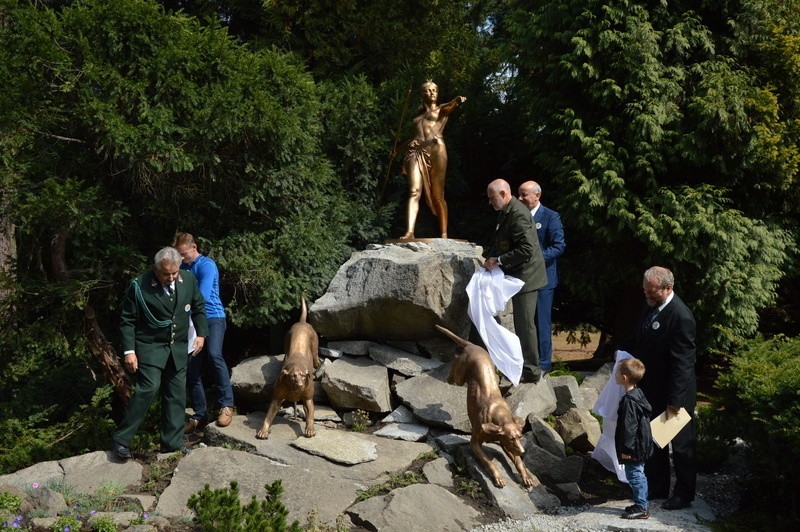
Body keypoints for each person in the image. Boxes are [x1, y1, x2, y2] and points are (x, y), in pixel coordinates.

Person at [112, 247, 208, 460]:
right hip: (150, 347)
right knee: (148, 389)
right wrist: (129, 351)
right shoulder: (139, 286)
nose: (172, 277)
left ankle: (172, 443)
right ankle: (121, 440)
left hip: (178, 348)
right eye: (166, 273)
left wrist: (201, 334)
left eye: (175, 272)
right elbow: (128, 320)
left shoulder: (188, 279)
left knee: (176, 394)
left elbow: (199, 307)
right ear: (155, 269)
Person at [620, 266, 697, 510]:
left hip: (677, 393)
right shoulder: (651, 305)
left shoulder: (681, 317)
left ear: (668, 288)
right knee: (654, 440)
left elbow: (683, 364)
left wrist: (675, 400)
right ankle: (658, 486)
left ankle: (685, 494)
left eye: (652, 292)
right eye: (645, 291)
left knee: (681, 445)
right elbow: (639, 338)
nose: (648, 296)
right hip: (652, 389)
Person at [484, 179, 548, 383]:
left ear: (503, 194)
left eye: (492, 198)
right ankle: (522, 366)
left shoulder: (518, 213)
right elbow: (501, 240)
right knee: (522, 324)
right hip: (517, 274)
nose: (490, 203)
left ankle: (531, 371)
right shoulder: (507, 211)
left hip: (527, 277)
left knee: (525, 324)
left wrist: (499, 260)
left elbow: (527, 249)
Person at [173, 232, 235, 432]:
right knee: (192, 366)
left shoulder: (206, 265)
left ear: (194, 247)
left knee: (214, 355)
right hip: (191, 321)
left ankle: (226, 405)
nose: (182, 258)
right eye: (179, 255)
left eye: (184, 254)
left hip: (213, 317)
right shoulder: (181, 267)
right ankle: (200, 415)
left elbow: (204, 295)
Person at [398, 81, 466, 240]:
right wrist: (397, 151)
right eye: (428, 91)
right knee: (414, 191)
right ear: (422, 94)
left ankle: (443, 233)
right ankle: (410, 231)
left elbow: (450, 106)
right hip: (416, 152)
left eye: (434, 90)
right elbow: (413, 138)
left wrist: (456, 100)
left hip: (436, 150)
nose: (432, 93)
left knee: (437, 195)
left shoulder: (441, 110)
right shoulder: (416, 119)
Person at [518, 181, 565, 373]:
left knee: (541, 323)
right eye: (519, 195)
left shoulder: (551, 216)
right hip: (521, 278)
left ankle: (544, 365)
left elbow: (558, 246)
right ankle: (526, 363)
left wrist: (535, 259)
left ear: (537, 196)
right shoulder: (517, 216)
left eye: (524, 195)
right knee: (524, 323)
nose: (520, 198)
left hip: (544, 279)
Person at [614, 357, 654, 520]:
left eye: (617, 372)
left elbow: (629, 428)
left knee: (635, 475)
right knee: (638, 473)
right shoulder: (637, 394)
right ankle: (641, 502)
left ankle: (642, 507)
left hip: (634, 446)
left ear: (624, 378)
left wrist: (626, 450)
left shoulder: (629, 400)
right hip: (641, 444)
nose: (615, 375)